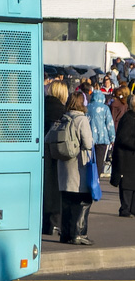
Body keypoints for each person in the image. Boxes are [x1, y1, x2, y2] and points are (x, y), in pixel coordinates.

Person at [49, 91, 96, 245]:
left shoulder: (63, 118)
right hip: (78, 166)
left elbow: (49, 138)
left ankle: (66, 234)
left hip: (63, 165)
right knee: (82, 201)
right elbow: (88, 144)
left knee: (67, 202)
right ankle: (79, 233)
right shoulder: (81, 119)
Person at [43, 79, 69, 239]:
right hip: (56, 154)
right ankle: (55, 222)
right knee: (57, 189)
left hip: (42, 153)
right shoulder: (61, 112)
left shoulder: (42, 107)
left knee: (45, 188)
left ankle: (46, 223)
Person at [111, 97, 135, 217]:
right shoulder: (128, 118)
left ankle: (130, 208)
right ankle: (125, 208)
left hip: (130, 158)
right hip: (126, 158)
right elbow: (123, 138)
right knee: (127, 185)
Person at [89, 87, 116, 176]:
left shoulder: (87, 107)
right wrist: (112, 138)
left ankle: (89, 177)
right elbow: (109, 124)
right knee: (99, 161)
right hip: (102, 137)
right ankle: (96, 178)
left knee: (89, 160)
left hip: (89, 137)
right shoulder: (105, 108)